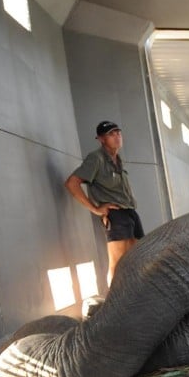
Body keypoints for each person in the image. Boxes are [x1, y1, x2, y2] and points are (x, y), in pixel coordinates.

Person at [65, 120, 144, 287]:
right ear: (101, 139)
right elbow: (72, 183)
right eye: (111, 134)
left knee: (136, 260)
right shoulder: (96, 158)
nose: (116, 137)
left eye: (118, 133)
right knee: (117, 264)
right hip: (116, 215)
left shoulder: (117, 159)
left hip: (130, 212)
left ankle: (131, 300)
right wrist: (94, 209)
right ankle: (113, 305)